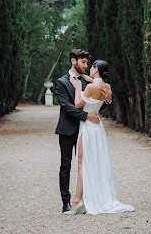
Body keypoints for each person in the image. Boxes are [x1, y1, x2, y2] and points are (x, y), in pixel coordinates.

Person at [68, 59, 135, 215]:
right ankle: (90, 196)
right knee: (97, 162)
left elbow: (78, 104)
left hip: (88, 129)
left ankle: (77, 201)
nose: (89, 68)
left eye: (91, 66)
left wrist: (78, 88)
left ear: (96, 68)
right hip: (98, 128)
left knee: (82, 162)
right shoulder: (106, 87)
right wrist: (88, 79)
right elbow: (100, 92)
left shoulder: (90, 87)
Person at [54, 49, 112, 213]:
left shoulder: (89, 82)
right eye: (83, 62)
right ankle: (66, 201)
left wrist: (107, 100)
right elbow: (66, 107)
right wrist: (86, 116)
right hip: (68, 129)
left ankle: (84, 200)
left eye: (88, 63)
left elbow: (98, 102)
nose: (86, 66)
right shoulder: (61, 82)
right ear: (74, 61)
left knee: (86, 165)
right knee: (66, 166)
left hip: (86, 131)